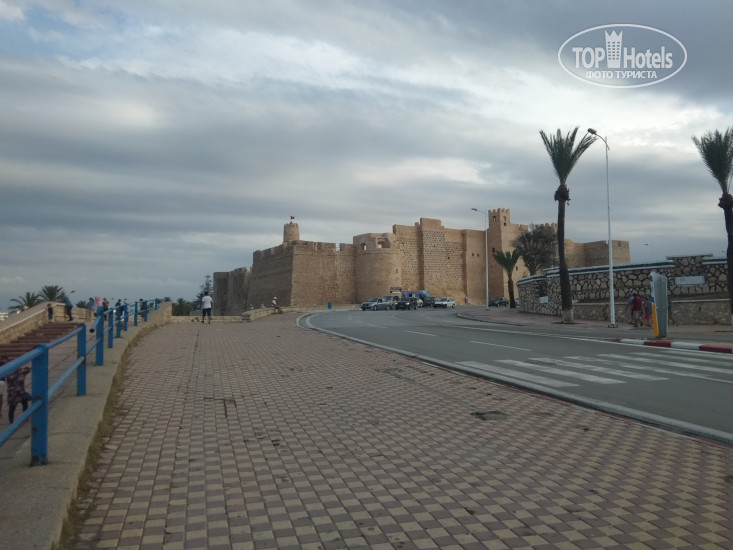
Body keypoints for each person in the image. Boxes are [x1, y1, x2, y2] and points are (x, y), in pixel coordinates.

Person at [5, 357, 31, 424]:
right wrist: (21, 369)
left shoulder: (20, 372)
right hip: (14, 394)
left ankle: (25, 418)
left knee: (25, 406)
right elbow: (11, 377)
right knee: (12, 409)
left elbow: (29, 369)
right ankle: (11, 422)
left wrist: (22, 369)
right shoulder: (10, 373)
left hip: (20, 392)